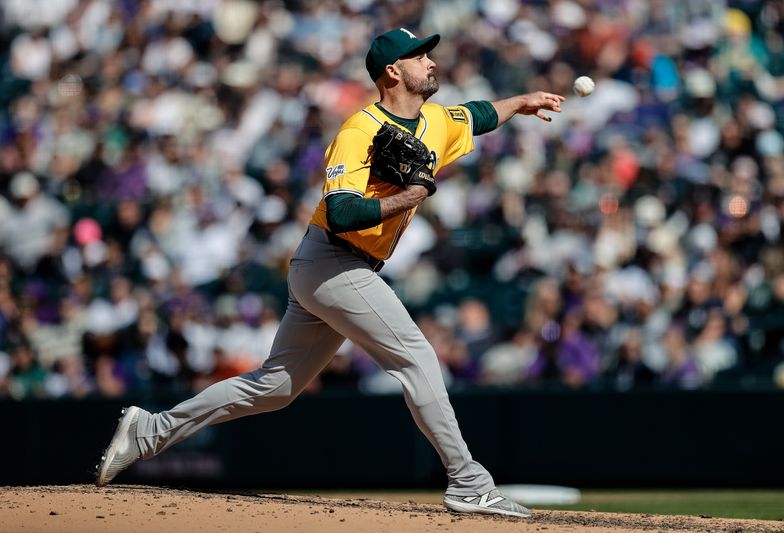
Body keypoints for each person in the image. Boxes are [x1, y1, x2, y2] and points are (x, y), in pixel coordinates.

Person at [95, 28, 564, 518]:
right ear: (393, 71)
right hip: (333, 258)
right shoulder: (358, 131)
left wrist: (524, 101)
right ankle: (468, 481)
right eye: (420, 55)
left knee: (274, 387)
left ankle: (150, 430)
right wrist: (409, 195)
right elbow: (340, 212)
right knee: (417, 357)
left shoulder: (437, 121)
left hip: (337, 267)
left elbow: (482, 115)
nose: (431, 61)